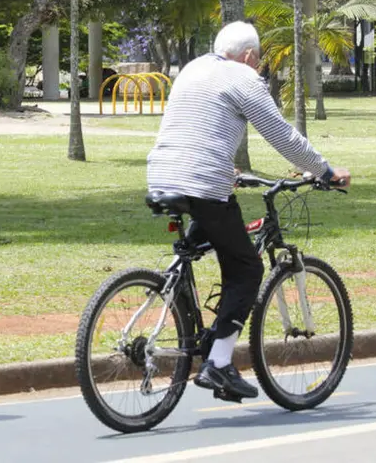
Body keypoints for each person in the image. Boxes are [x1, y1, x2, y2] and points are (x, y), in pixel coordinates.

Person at [147, 21, 350, 400]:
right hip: (203, 183)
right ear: (248, 57)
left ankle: (199, 327)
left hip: (162, 174)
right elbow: (282, 136)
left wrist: (228, 170)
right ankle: (219, 363)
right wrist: (325, 171)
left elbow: (200, 126)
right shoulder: (243, 77)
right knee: (247, 268)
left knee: (222, 225)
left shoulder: (192, 68)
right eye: (257, 62)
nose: (257, 69)